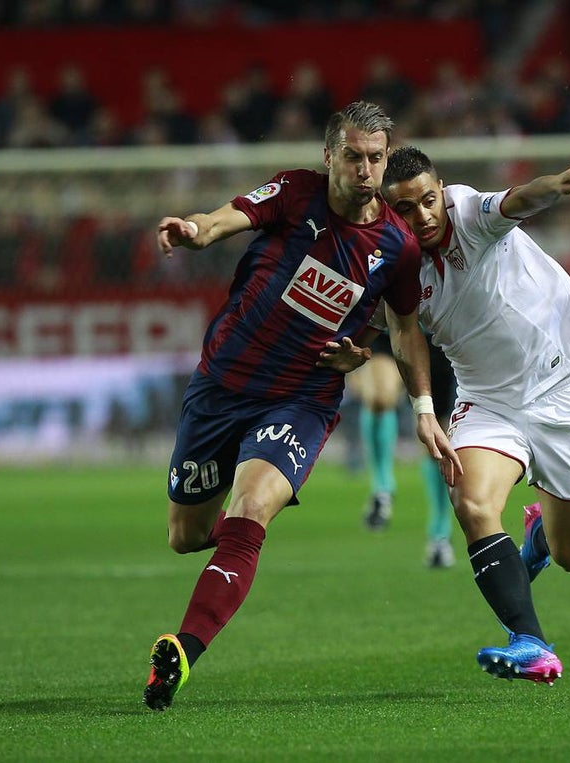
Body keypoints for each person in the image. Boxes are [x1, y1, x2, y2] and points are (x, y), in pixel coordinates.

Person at [143, 101, 461, 712]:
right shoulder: (294, 193)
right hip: (222, 385)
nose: (366, 170)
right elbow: (224, 219)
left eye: (376, 158)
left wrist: (420, 404)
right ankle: (238, 539)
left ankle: (182, 652)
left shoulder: (395, 246)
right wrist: (194, 230)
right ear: (329, 156)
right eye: (354, 157)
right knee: (186, 537)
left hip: (302, 397)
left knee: (253, 508)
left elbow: (405, 329)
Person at [324, 147, 570, 684]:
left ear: (442, 192)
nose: (423, 216)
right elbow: (396, 328)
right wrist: (356, 353)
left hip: (559, 388)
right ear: (388, 210)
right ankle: (532, 643)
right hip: (488, 401)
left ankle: (542, 534)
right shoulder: (390, 263)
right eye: (405, 209)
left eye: (428, 201)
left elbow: (518, 200)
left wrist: (556, 183)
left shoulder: (469, 213)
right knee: (471, 501)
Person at [347, 330, 459, 569]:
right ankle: (383, 488)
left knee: (436, 442)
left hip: (436, 337)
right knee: (379, 397)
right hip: (388, 331)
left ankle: (439, 534)